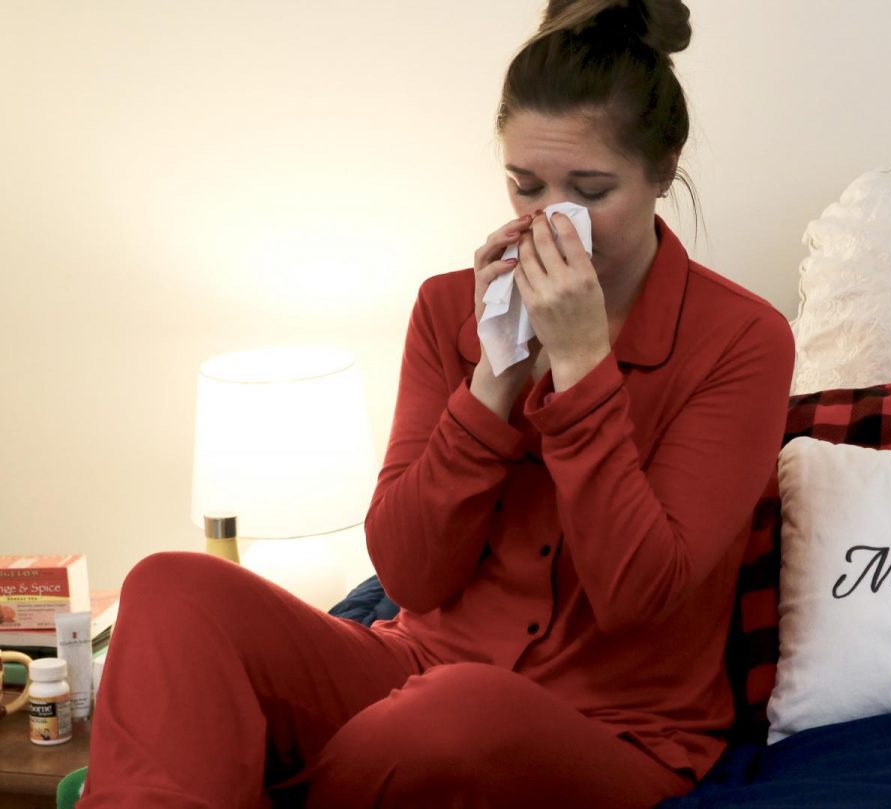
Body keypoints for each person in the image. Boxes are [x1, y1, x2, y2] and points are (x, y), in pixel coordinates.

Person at [78, 0, 794, 805]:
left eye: (589, 190)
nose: (549, 218)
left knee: (454, 715)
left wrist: (583, 365)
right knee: (172, 586)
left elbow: (640, 599)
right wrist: (494, 377)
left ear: (663, 171)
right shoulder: (446, 307)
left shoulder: (745, 340)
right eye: (526, 186)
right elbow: (409, 571)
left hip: (612, 728)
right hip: (411, 673)